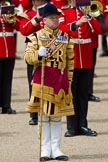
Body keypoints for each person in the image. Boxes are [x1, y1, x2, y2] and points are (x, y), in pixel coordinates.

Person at [24, 3, 74, 161]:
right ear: (44, 20)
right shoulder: (36, 37)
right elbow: (28, 58)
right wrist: (38, 55)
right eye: (52, 18)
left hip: (60, 79)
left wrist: (69, 80)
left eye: (57, 18)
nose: (55, 21)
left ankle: (56, 148)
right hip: (43, 79)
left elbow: (69, 60)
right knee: (44, 116)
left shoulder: (65, 37)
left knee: (57, 116)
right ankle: (45, 149)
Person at [59, 0, 102, 137]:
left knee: (83, 94)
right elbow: (60, 29)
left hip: (86, 58)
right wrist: (76, 24)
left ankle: (83, 125)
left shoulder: (88, 12)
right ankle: (71, 127)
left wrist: (88, 16)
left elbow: (99, 30)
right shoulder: (63, 12)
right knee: (71, 94)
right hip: (71, 57)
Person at [18, 0, 50, 125]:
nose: (39, 2)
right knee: (33, 84)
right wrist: (36, 18)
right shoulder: (28, 13)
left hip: (49, 51)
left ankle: (47, 112)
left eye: (41, 0)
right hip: (33, 53)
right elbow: (24, 30)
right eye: (37, 0)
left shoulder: (51, 11)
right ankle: (34, 114)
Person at [0, 0, 19, 114]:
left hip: (9, 49)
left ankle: (6, 105)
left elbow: (20, 26)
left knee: (7, 78)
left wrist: (12, 22)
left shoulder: (9, 9)